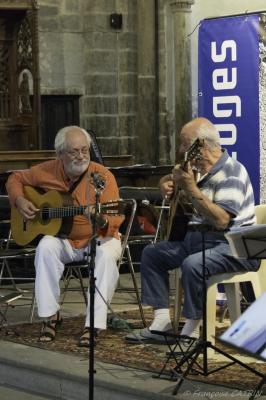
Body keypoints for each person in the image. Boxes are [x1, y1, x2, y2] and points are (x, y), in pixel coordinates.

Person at [126, 117, 259, 346]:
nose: (180, 150)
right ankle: (161, 321)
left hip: (232, 245)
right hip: (197, 241)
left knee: (193, 264)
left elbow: (221, 220)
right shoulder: (198, 170)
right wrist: (166, 183)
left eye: (184, 144)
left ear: (202, 147)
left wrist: (189, 187)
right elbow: (173, 177)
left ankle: (193, 327)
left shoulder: (232, 173)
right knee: (151, 254)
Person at [6, 126, 124, 346]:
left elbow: (115, 218)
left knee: (106, 256)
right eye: (73, 151)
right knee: (45, 247)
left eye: (84, 150)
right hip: (65, 238)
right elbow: (14, 178)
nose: (81, 156)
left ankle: (93, 325)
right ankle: (51, 316)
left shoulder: (102, 176)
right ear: (59, 154)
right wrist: (20, 201)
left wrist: (101, 219)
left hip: (99, 237)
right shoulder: (47, 170)